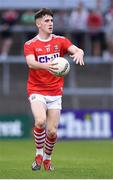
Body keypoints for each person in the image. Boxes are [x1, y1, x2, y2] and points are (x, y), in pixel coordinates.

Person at [24, 8, 84, 171]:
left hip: (55, 92)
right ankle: (38, 154)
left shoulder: (61, 41)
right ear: (38, 24)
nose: (50, 23)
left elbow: (76, 49)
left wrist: (79, 52)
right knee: (40, 121)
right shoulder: (30, 44)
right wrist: (48, 66)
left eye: (51, 21)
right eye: (46, 21)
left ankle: (47, 159)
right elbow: (30, 63)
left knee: (51, 132)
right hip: (36, 90)